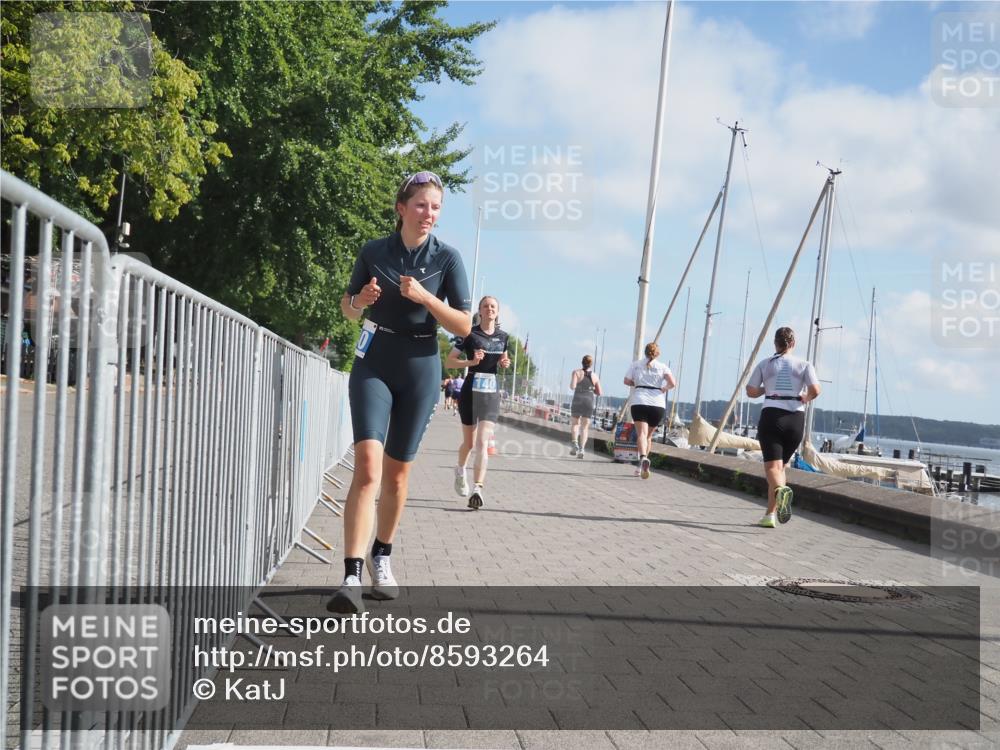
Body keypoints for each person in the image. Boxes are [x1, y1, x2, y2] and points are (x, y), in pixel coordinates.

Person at [328, 171, 472, 614]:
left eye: (436, 207)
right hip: (374, 361)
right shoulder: (374, 251)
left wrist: (428, 300)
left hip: (420, 368)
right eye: (421, 205)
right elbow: (347, 309)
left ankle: (382, 555)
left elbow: (465, 326)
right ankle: (351, 574)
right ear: (402, 208)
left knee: (396, 476)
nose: (429, 214)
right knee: (368, 467)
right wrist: (362, 300)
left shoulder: (447, 259)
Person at [745, 327, 821, 528]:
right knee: (781, 467)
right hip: (796, 418)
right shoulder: (804, 365)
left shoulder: (765, 364)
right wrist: (806, 397)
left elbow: (750, 391)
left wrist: (765, 389)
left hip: (772, 415)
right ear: (793, 344)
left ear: (775, 343)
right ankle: (770, 515)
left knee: (771, 467)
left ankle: (780, 492)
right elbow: (816, 389)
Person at [446, 295, 510, 509]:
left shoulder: (503, 336)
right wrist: (471, 361)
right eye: (486, 306)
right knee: (470, 443)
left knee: (483, 442)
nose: (489, 309)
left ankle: (477, 489)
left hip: (491, 393)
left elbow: (503, 359)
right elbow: (449, 360)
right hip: (470, 392)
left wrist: (504, 363)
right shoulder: (468, 333)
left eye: (493, 306)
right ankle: (460, 470)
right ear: (480, 311)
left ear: (497, 312)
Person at [623, 342, 676, 479]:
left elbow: (626, 381)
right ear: (657, 353)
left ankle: (643, 458)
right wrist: (664, 388)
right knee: (648, 437)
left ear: (645, 352)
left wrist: (638, 383)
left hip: (640, 401)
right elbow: (673, 383)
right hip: (657, 403)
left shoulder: (636, 364)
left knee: (641, 434)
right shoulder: (663, 367)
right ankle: (640, 467)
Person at [569, 355, 602, 458]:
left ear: (582, 362)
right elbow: (599, 392)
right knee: (585, 427)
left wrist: (576, 383)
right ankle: (582, 449)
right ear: (591, 364)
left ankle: (575, 444)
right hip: (589, 400)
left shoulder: (576, 372)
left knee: (575, 424)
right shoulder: (595, 376)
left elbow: (572, 386)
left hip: (578, 399)